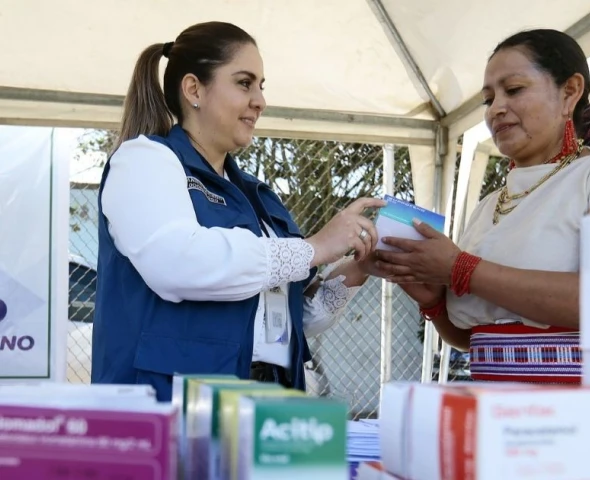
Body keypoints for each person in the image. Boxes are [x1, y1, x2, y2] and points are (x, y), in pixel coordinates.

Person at [92, 21, 384, 401]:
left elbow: (283, 322)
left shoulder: (258, 197)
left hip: (266, 403)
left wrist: (356, 270)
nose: (260, 100)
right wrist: (315, 248)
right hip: (171, 409)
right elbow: (177, 263)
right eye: (245, 83)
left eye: (261, 86)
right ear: (194, 89)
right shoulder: (145, 160)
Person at [374, 29, 590, 384]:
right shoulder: (490, 205)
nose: (496, 109)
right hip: (496, 415)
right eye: (488, 99)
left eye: (515, 90)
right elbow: (474, 335)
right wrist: (434, 302)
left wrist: (461, 269)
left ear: (570, 91)